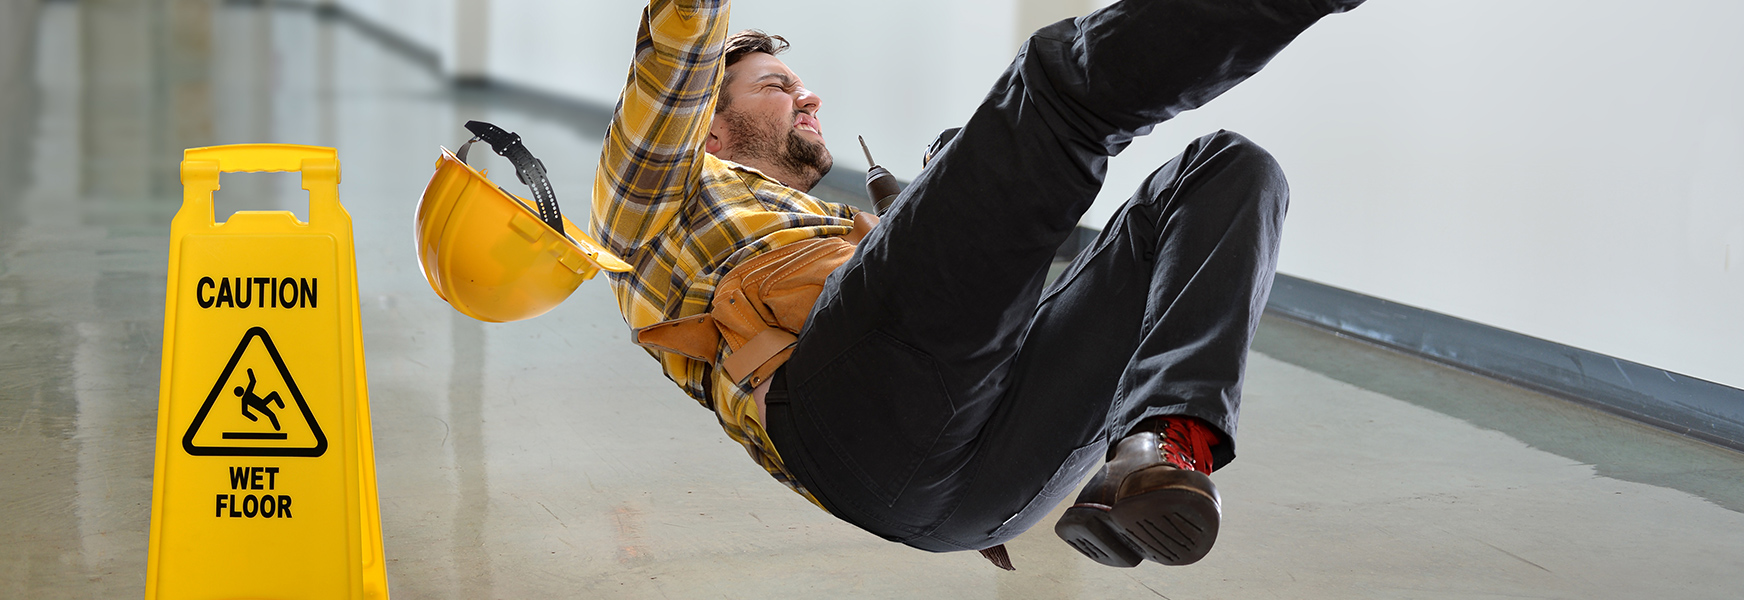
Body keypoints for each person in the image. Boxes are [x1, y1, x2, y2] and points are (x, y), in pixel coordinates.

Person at [592, 0, 1365, 569]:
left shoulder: (821, 220)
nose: (808, 96)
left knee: (1228, 170)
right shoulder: (652, 197)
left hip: (976, 499)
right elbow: (679, 48)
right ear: (709, 128)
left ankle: (1161, 445)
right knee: (1055, 92)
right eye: (775, 84)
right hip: (844, 422)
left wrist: (919, 214)